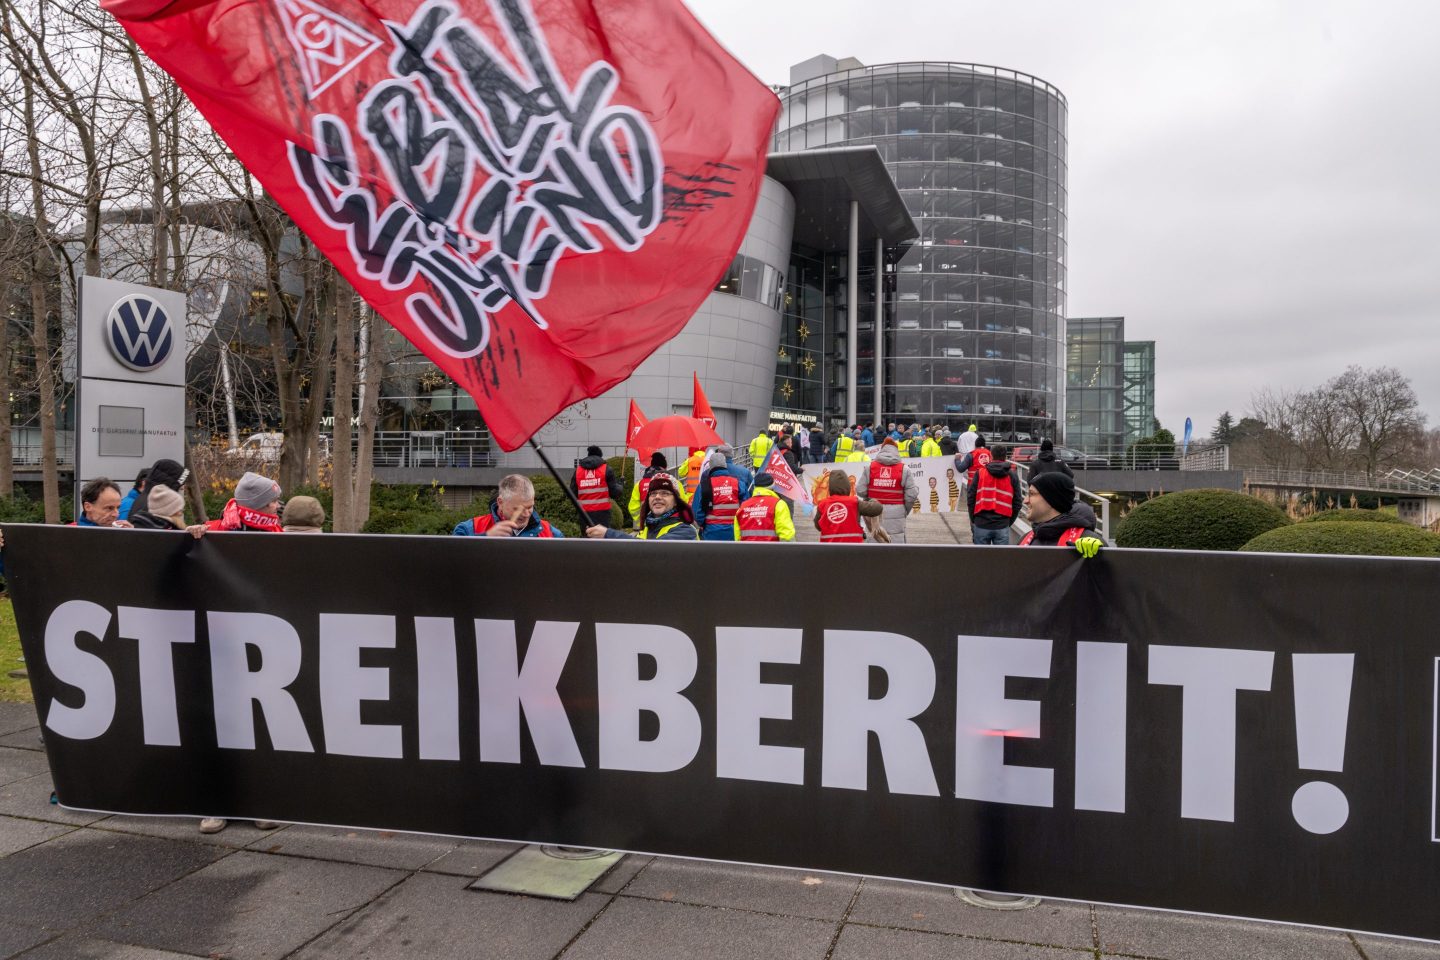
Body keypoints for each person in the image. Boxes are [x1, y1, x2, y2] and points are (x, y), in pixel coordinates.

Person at [587, 474, 696, 540]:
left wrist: (608, 534)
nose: (657, 497)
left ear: (676, 501)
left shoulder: (686, 531)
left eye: (665, 493)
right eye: (653, 494)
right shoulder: (646, 529)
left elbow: (650, 549)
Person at [1019, 472, 1104, 557]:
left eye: (1032, 494)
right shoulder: (1026, 539)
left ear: (1052, 499)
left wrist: (1099, 555)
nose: (1025, 501)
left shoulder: (1089, 542)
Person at [453, 475, 564, 537]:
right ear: (500, 502)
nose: (526, 514)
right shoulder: (468, 530)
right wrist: (486, 538)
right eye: (518, 509)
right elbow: (452, 560)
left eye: (530, 507)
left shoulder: (552, 534)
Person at [856, 438, 918, 543]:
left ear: (882, 450)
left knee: (875, 541)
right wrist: (904, 510)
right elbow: (911, 495)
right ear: (896, 451)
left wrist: (871, 500)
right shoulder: (904, 469)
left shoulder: (870, 467)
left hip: (874, 512)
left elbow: (860, 490)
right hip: (897, 512)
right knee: (896, 543)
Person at [967, 444, 1022, 545]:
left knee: (980, 555)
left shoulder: (980, 473)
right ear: (1005, 456)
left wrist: (973, 519)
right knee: (1001, 555)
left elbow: (971, 498)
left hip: (981, 523)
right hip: (1002, 524)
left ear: (991, 456)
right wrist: (1008, 522)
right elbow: (1018, 502)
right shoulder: (1012, 475)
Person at [193, 472, 282, 533]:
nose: (279, 506)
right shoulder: (212, 531)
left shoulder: (276, 530)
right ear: (258, 504)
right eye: (274, 501)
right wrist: (193, 533)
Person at [694, 448, 752, 541]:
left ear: (710, 467)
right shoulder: (738, 484)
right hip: (734, 533)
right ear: (725, 465)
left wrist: (704, 524)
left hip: (711, 533)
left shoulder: (703, 486)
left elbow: (697, 514)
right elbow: (746, 508)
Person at [814, 470, 882, 542]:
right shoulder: (854, 502)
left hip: (829, 547)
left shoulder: (823, 504)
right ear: (847, 486)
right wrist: (870, 498)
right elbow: (877, 508)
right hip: (853, 546)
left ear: (830, 487)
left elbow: (818, 527)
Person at [570, 445, 623, 530]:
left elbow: (572, 493)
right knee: (601, 537)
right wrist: (621, 484)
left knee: (587, 536)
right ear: (600, 456)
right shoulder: (606, 469)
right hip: (602, 514)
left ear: (588, 455)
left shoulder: (578, 471)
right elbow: (614, 493)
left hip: (584, 514)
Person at [733, 473, 796, 541]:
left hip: (746, 548)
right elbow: (787, 536)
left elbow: (737, 536)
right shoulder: (779, 504)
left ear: (755, 486)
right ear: (773, 486)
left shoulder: (743, 506)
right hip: (771, 547)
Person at [628, 452, 677, 528]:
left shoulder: (639, 484)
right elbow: (683, 503)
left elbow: (633, 508)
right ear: (664, 468)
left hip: (647, 528)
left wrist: (643, 522)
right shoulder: (674, 483)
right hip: (670, 526)